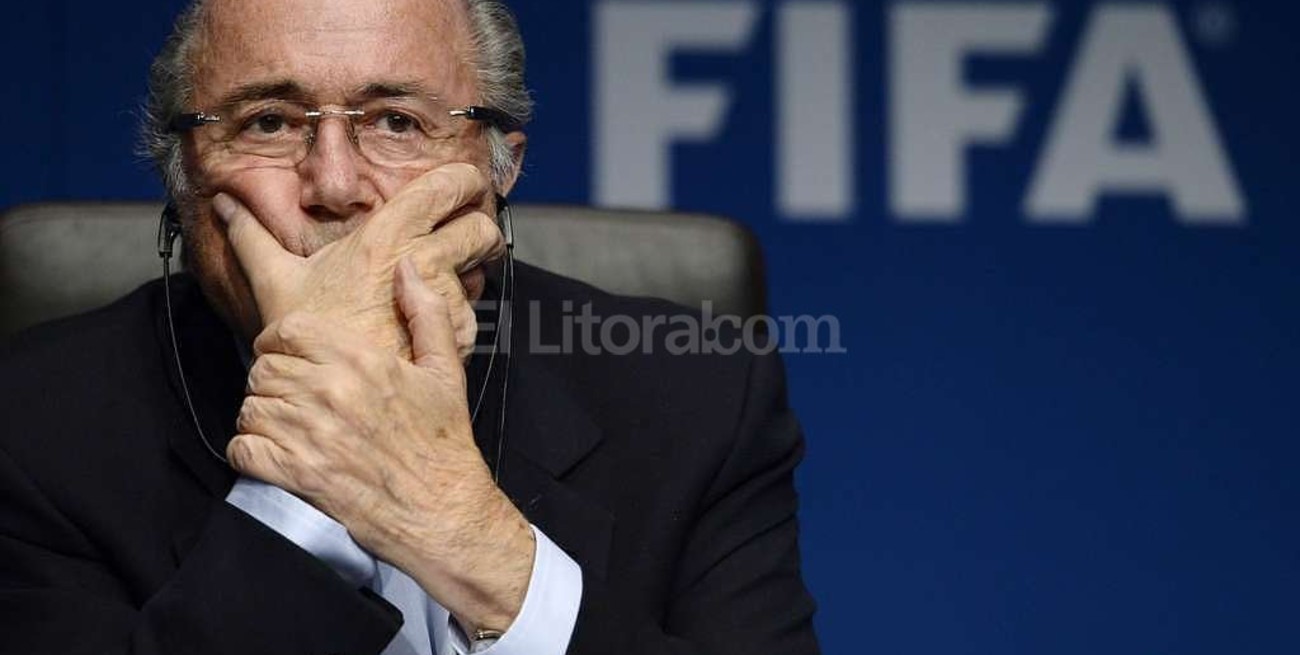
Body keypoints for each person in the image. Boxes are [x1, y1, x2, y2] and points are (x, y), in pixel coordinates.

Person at [0, 0, 820, 653]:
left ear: (500, 167)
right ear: (181, 175)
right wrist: (310, 470)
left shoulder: (698, 396)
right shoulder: (31, 425)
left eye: (396, 121)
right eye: (268, 122)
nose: (334, 185)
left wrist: (476, 542)